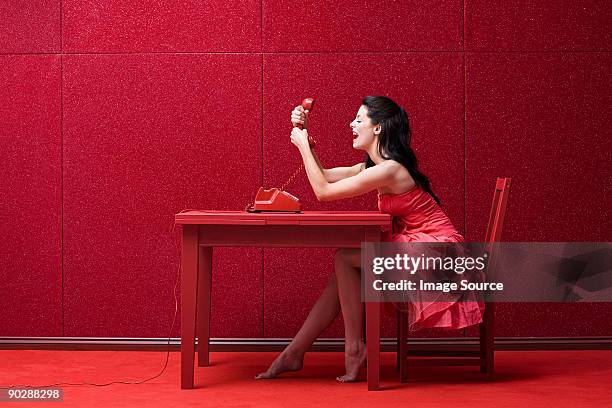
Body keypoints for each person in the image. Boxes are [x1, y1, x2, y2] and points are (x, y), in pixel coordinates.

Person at [255, 96, 482, 382]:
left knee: (344, 259)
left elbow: (323, 192)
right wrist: (307, 140)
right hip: (419, 244)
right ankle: (297, 352)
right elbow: (325, 175)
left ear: (378, 128)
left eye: (359, 120)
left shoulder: (390, 169)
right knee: (344, 269)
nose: (351, 124)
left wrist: (301, 145)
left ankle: (349, 348)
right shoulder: (374, 168)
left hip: (438, 253)